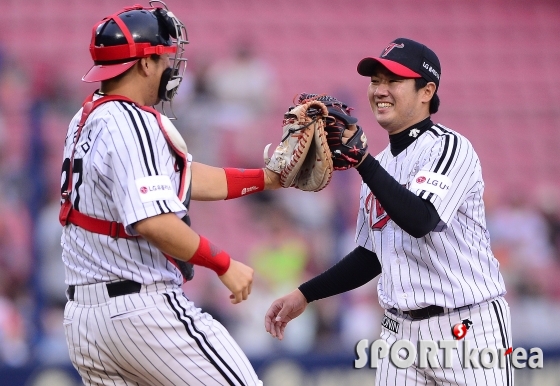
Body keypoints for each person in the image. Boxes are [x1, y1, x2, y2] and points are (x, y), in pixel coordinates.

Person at [265, 38, 513, 386]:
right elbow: (370, 257)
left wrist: (363, 162)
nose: (380, 90)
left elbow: (421, 219)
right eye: (375, 81)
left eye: (393, 81)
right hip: (399, 333)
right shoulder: (379, 166)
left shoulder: (450, 147)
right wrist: (304, 294)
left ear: (426, 91)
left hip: (467, 327)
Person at [60, 4, 279, 385]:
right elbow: (154, 222)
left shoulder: (86, 117)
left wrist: (269, 179)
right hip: (140, 313)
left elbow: (187, 177)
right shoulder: (134, 121)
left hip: (85, 319)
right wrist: (224, 264)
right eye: (164, 56)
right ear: (145, 63)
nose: (171, 67)